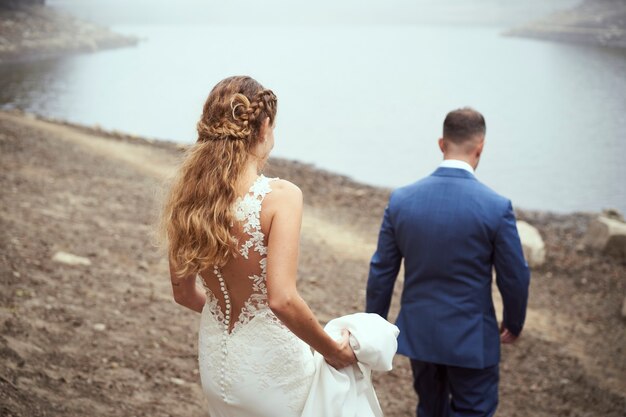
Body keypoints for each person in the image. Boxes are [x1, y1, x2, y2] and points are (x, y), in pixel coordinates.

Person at [160, 75, 356, 417]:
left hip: (218, 368)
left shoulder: (187, 198)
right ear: (263, 128)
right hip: (271, 371)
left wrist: (231, 315)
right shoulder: (281, 197)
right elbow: (281, 299)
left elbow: (184, 294)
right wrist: (333, 351)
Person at [366, 108, 530, 417]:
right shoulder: (496, 207)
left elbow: (382, 270)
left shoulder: (402, 200)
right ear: (480, 147)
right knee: (474, 411)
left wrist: (373, 324)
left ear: (442, 144)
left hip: (420, 334)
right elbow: (515, 276)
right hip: (472, 339)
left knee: (430, 409)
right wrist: (514, 321)